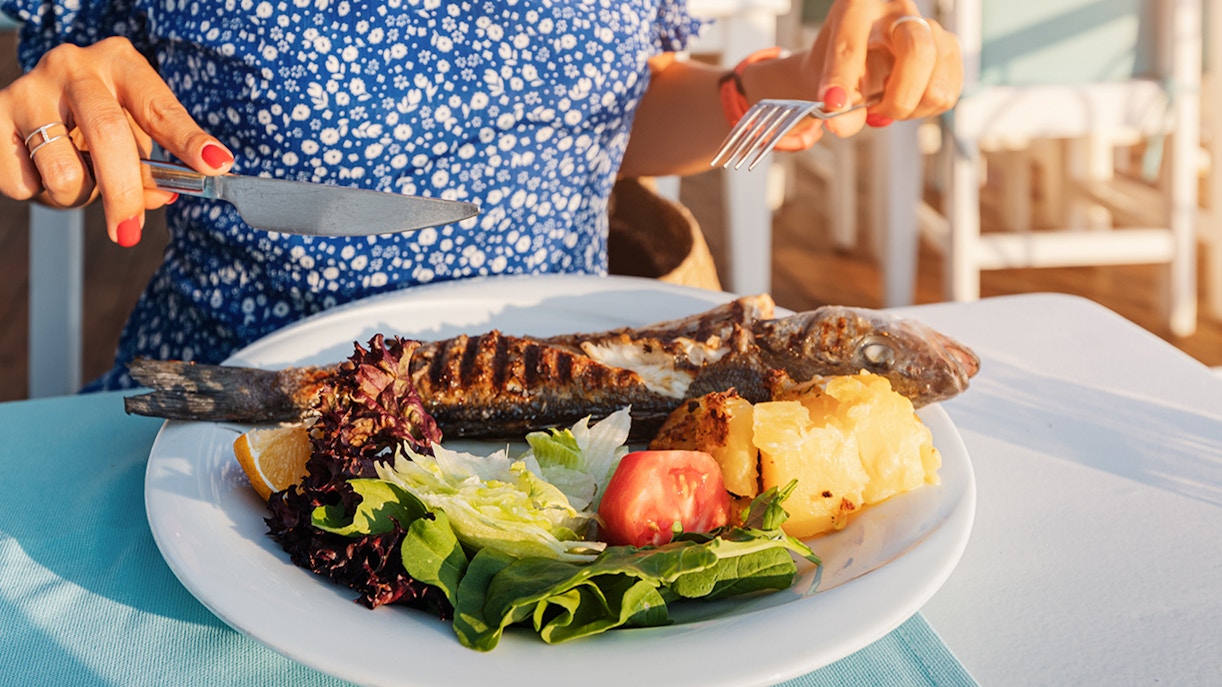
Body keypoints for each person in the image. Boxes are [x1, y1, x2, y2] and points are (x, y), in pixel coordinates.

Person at [0, 0, 961, 390]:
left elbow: (607, 112)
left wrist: (765, 90)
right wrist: (43, 119)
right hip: (233, 400)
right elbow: (64, 94)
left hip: (555, 397)